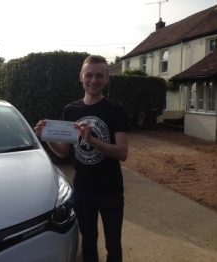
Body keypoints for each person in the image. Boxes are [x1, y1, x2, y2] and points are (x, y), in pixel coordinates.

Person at [34, 55, 130, 262]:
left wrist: (92, 140)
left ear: (107, 79)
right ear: (81, 77)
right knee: (88, 242)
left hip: (110, 190)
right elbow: (62, 152)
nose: (93, 80)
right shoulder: (71, 110)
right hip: (82, 190)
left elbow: (123, 153)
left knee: (113, 244)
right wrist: (47, 137)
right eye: (89, 75)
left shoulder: (116, 110)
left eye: (99, 76)